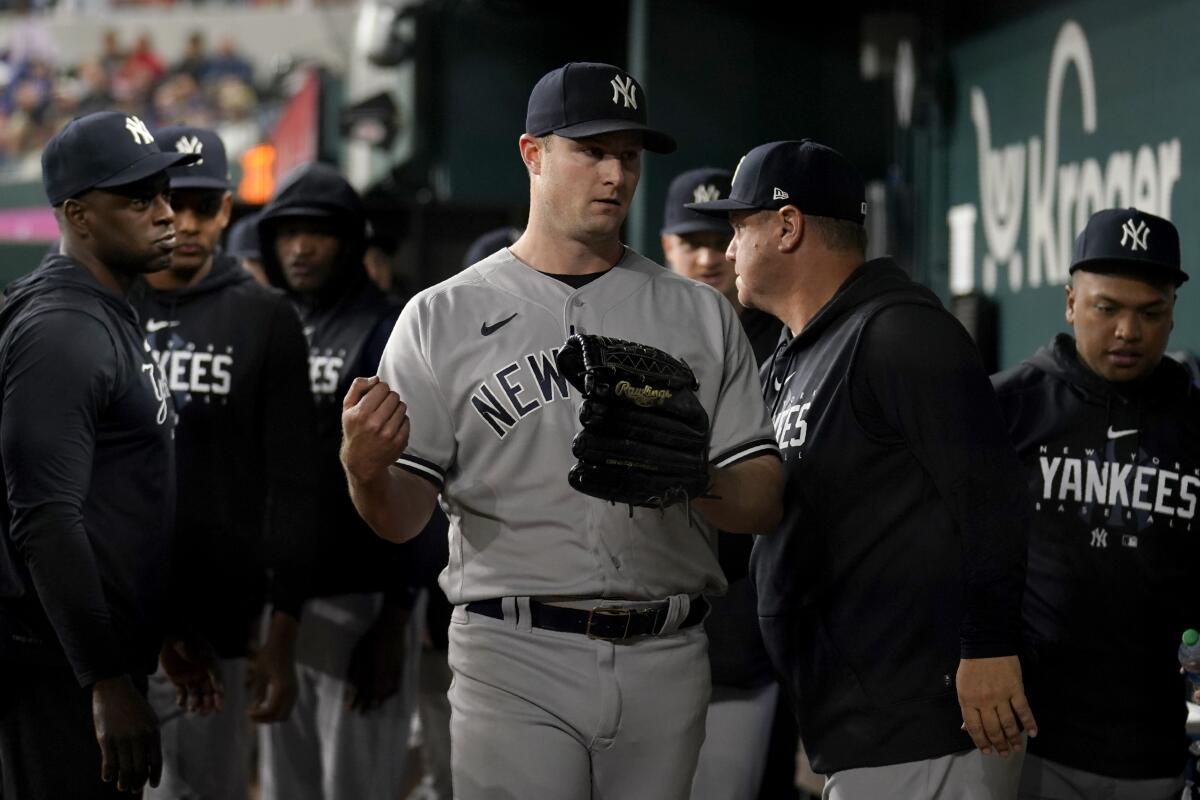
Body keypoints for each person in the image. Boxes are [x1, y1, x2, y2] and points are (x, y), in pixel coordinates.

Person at [340, 61, 784, 800]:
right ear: (532, 154)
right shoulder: (439, 317)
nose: (615, 173)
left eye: (629, 156)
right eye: (592, 151)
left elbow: (763, 499)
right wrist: (363, 470)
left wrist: (696, 477)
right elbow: (401, 518)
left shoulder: (699, 314)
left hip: (666, 649)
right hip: (514, 651)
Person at [690, 139, 1035, 798]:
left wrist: (989, 645)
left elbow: (993, 498)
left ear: (787, 226)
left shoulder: (900, 334)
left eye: (739, 228)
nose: (728, 250)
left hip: (927, 723)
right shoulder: (792, 359)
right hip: (860, 724)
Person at [0, 111, 220, 798]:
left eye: (165, 194)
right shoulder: (62, 330)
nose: (168, 216)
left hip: (91, 657)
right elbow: (45, 517)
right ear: (78, 216)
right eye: (138, 199)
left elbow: (118, 499)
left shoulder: (102, 307)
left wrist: (160, 629)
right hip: (55, 671)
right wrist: (103, 678)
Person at [129, 124, 320, 800]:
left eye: (202, 207)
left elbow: (295, 480)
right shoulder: (106, 302)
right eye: (169, 201)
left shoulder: (264, 316)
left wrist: (284, 626)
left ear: (227, 209)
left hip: (218, 620)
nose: (184, 222)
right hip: (111, 619)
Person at [991, 208, 1198, 800]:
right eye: (1107, 308)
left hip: (1155, 745)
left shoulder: (1195, 423)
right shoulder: (1007, 408)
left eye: (1150, 312)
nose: (1129, 331)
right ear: (1070, 302)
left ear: (1172, 311)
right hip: (1030, 739)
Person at [255, 162, 427, 800]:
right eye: (287, 233)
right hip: (287, 604)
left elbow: (420, 472)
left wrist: (395, 618)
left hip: (365, 596)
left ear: (352, 242)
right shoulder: (277, 322)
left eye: (318, 233)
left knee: (356, 787)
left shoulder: (389, 328)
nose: (299, 248)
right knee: (285, 786)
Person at [658, 166, 783, 800]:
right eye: (691, 240)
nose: (709, 256)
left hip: (746, 607)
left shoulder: (783, 340)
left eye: (720, 237)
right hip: (647, 602)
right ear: (665, 245)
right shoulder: (635, 334)